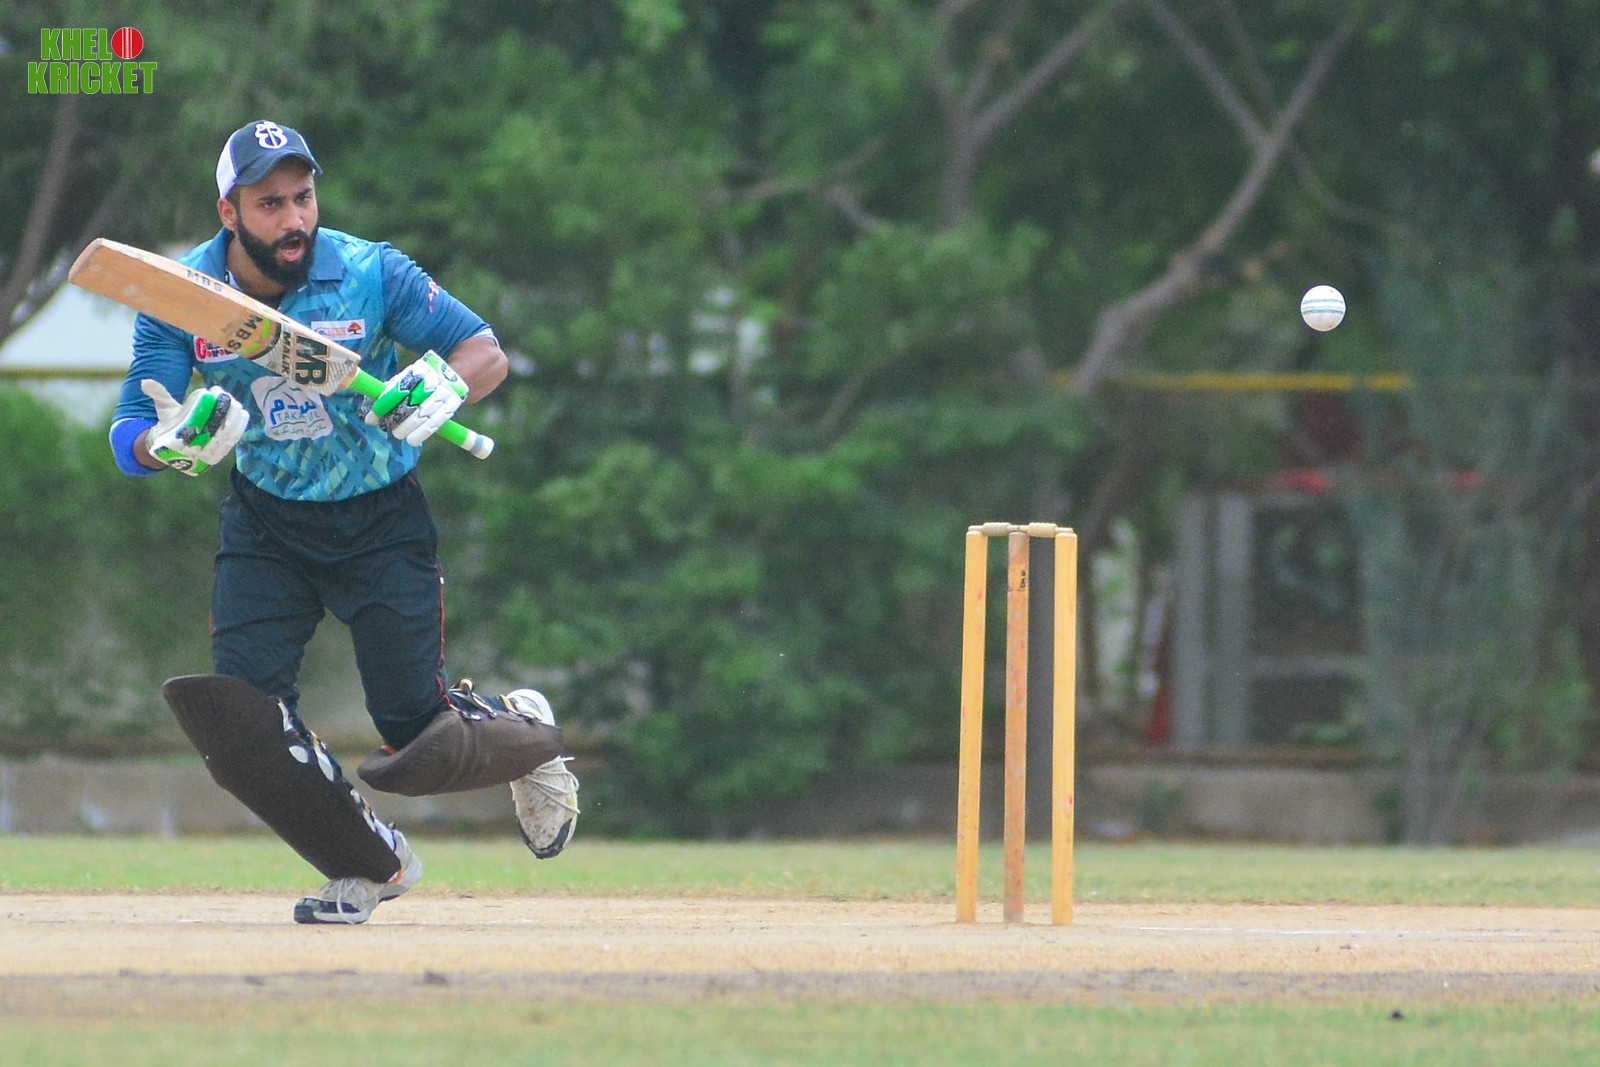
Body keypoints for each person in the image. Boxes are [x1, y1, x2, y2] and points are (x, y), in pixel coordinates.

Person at [108, 119, 579, 925]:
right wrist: (167, 442)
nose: (295, 219)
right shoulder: (185, 293)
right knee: (239, 723)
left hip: (381, 520)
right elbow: (131, 429)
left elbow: (484, 351)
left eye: (303, 197)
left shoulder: (370, 270)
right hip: (267, 525)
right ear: (229, 212)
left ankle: (526, 735)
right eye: (270, 204)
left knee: (416, 740)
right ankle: (368, 863)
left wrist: (445, 386)